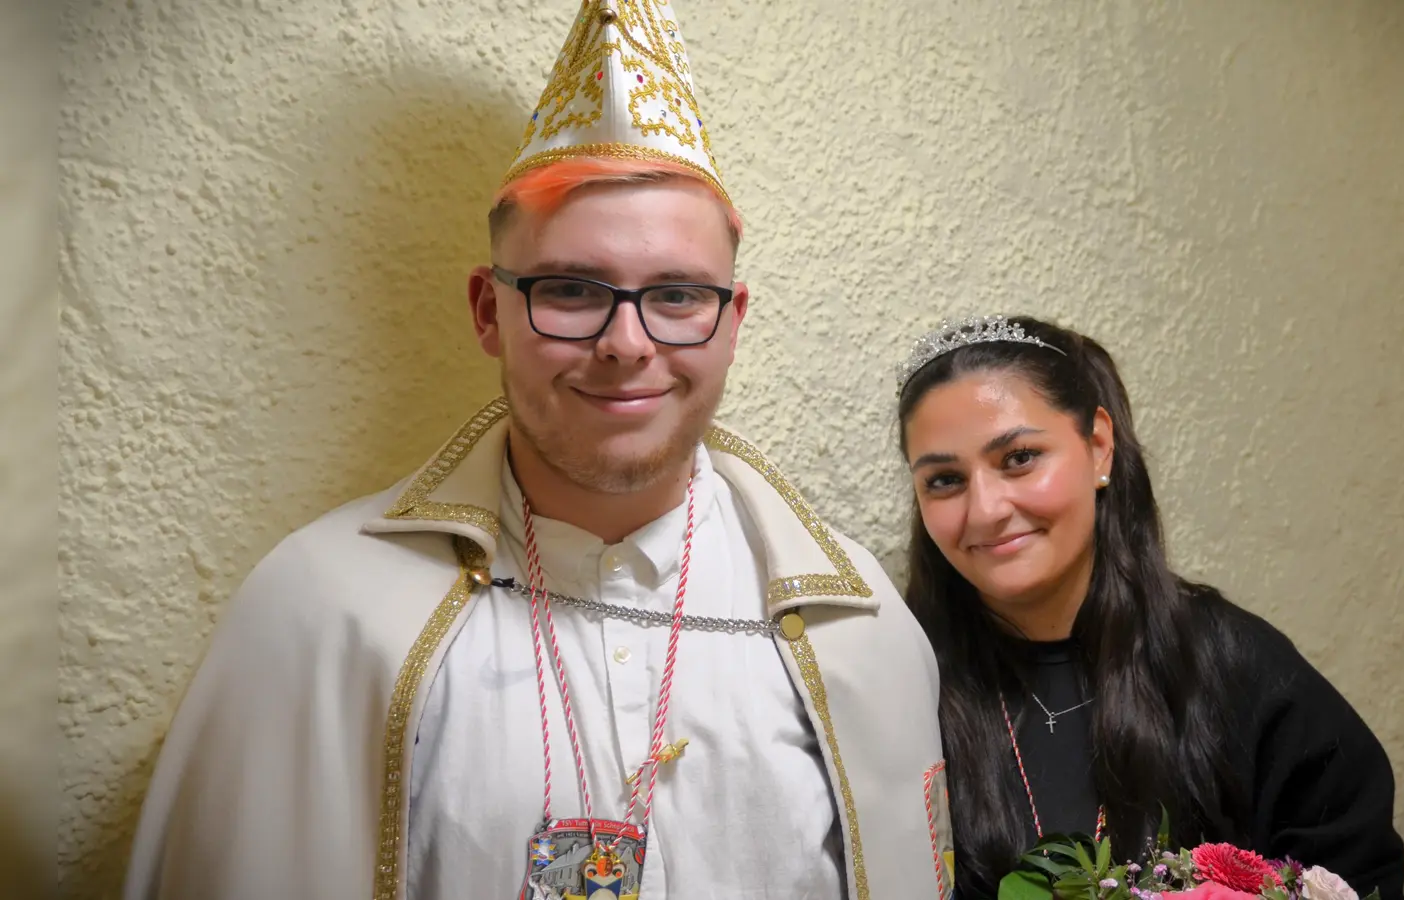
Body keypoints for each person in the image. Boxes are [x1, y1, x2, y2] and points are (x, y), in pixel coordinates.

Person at [123, 3, 951, 898]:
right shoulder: (315, 615)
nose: (628, 344)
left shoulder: (859, 631)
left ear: (732, 322)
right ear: (489, 311)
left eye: (676, 295)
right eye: (569, 289)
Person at [893, 315, 1404, 900]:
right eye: (944, 480)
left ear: (1099, 447)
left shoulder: (1240, 670)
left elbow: (1357, 879)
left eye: (1018, 459)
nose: (985, 510)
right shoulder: (897, 687)